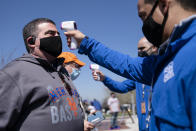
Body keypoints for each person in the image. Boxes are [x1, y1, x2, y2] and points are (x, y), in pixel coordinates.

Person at [64, 0, 196, 130]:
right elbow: (128, 65)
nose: (144, 25)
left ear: (163, 5)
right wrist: (87, 44)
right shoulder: (168, 57)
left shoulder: (190, 54)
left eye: (144, 16)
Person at [0, 18, 84, 131]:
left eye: (58, 34)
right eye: (51, 34)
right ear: (31, 42)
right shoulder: (12, 74)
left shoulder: (62, 72)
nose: (57, 37)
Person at [92, 37, 158, 131]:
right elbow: (121, 87)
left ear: (154, 47)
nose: (139, 52)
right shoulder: (138, 76)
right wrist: (104, 79)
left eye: (142, 48)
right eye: (137, 49)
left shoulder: (161, 69)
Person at [58, 52, 95, 131]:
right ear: (64, 65)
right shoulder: (57, 86)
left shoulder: (70, 85)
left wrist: (86, 117)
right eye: (76, 66)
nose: (78, 70)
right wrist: (80, 125)